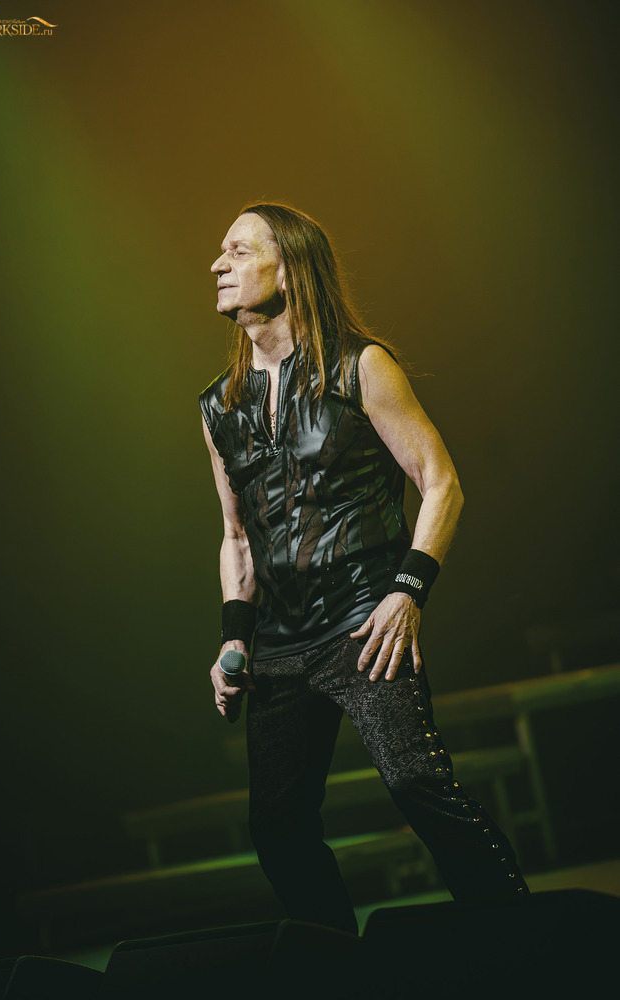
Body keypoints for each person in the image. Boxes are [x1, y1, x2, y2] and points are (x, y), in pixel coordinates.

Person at [199, 203, 529, 934]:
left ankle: (520, 938)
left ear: (288, 267)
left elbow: (440, 482)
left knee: (418, 783)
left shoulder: (360, 365)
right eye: (220, 253)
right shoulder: (219, 405)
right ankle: (337, 968)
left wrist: (407, 591)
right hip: (280, 646)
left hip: (363, 622)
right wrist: (233, 638)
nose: (217, 265)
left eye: (238, 250)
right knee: (277, 827)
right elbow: (237, 536)